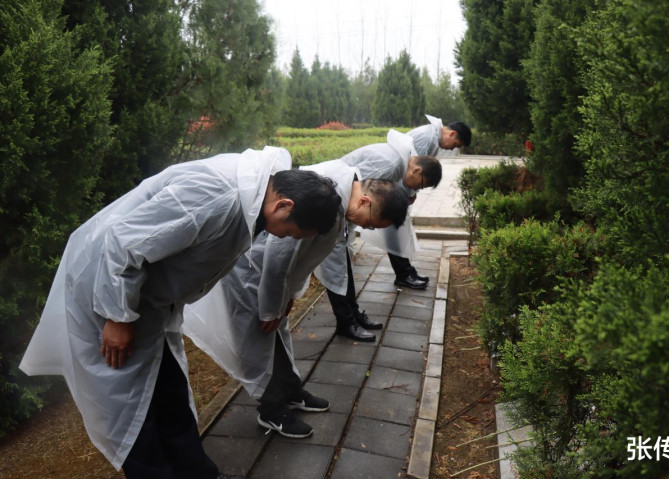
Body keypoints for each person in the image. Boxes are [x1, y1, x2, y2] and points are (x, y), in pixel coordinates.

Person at [19, 147, 342, 479]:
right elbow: (122, 243)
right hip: (106, 292)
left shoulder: (254, 195)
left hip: (144, 300)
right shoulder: (217, 197)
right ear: (283, 205)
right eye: (289, 232)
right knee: (133, 409)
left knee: (170, 389)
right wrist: (117, 317)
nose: (283, 237)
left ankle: (197, 472)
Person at [184, 159, 409, 438]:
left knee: (278, 334)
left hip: (271, 281)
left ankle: (290, 391)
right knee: (256, 339)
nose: (368, 228)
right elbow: (278, 259)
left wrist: (286, 299)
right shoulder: (320, 202)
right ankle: (271, 409)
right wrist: (271, 309)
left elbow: (302, 260)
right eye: (372, 223)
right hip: (250, 274)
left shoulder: (340, 195)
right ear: (364, 201)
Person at [329, 129, 442, 341]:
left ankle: (353, 316)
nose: (417, 189)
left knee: (343, 265)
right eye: (421, 184)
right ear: (417, 170)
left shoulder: (401, 161)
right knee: (337, 266)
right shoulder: (389, 164)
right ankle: (346, 322)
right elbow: (357, 191)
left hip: (345, 213)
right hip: (336, 210)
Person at [385, 114, 473, 289]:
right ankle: (404, 274)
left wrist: (412, 192)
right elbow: (411, 169)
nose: (451, 149)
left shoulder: (432, 137)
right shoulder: (427, 138)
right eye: (455, 145)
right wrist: (408, 192)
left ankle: (406, 272)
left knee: (399, 231)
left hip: (398, 188)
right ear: (452, 134)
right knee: (395, 231)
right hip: (395, 187)